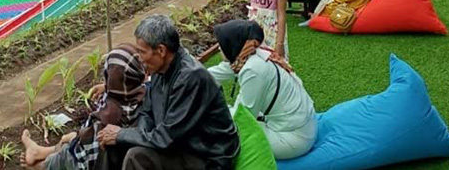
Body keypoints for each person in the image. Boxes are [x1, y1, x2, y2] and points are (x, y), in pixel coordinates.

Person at [96, 15, 239, 170]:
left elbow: (167, 137)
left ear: (161, 50)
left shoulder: (190, 77)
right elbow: (146, 112)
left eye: (142, 52)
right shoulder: (159, 69)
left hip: (205, 155)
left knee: (137, 156)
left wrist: (123, 135)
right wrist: (129, 135)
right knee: (111, 143)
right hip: (178, 143)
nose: (140, 59)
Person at [20, 44, 146, 170]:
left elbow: (88, 147)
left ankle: (41, 166)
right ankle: (39, 152)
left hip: (87, 162)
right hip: (106, 151)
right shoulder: (139, 94)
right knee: (71, 140)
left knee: (68, 149)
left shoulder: (111, 114)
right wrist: (106, 87)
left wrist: (75, 138)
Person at [207, 20, 317, 160]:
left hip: (293, 139)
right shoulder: (250, 55)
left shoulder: (253, 69)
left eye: (221, 44)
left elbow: (245, 119)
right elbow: (209, 74)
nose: (219, 49)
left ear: (233, 44)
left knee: (218, 127)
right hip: (304, 127)